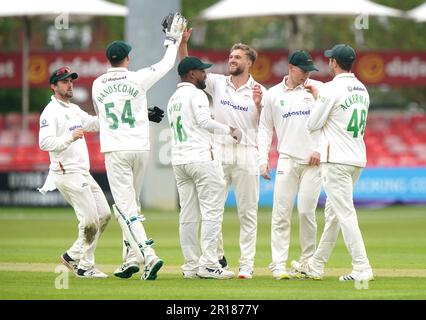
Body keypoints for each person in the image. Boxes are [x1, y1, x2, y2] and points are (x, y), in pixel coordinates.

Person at [92, 13, 187, 281]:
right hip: (140, 148)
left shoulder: (98, 84)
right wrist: (173, 38)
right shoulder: (137, 78)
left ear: (109, 60)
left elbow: (107, 114)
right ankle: (130, 259)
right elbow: (168, 63)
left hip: (116, 150)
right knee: (131, 206)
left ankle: (148, 255)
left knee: (124, 208)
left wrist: (139, 111)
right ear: (127, 59)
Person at [179, 30, 266, 279]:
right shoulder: (217, 82)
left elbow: (264, 127)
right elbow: (188, 69)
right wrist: (183, 44)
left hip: (247, 153)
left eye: (238, 57)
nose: (232, 60)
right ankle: (216, 258)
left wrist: (260, 106)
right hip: (218, 151)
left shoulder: (260, 91)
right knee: (211, 210)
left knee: (247, 213)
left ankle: (247, 265)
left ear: (249, 62)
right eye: (231, 56)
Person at [291, 44, 374, 282]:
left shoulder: (330, 88)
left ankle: (362, 267)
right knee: (335, 215)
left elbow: (312, 124)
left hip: (335, 159)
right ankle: (316, 265)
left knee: (344, 214)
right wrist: (321, 96)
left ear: (334, 63)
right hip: (356, 158)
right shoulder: (362, 89)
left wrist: (318, 97)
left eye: (330, 60)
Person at [168, 56, 242, 279]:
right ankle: (209, 264)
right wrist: (229, 129)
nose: (205, 75)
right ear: (192, 74)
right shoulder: (196, 93)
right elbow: (203, 121)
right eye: (202, 71)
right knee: (212, 212)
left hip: (180, 161)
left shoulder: (174, 98)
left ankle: (191, 265)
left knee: (188, 215)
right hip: (201, 158)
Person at [39, 66, 111, 278]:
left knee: (104, 215)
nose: (69, 84)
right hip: (66, 173)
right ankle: (77, 260)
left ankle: (80, 262)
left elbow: (93, 123)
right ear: (54, 86)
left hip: (82, 172)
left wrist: (114, 115)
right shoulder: (50, 112)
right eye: (64, 81)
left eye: (71, 81)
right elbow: (44, 142)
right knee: (89, 221)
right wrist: (70, 137)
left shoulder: (73, 109)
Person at [258, 50, 323, 279]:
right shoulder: (273, 94)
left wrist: (320, 149)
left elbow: (330, 122)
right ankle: (278, 264)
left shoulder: (317, 90)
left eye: (309, 71)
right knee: (281, 213)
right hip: (286, 158)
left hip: (313, 162)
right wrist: (262, 160)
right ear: (290, 68)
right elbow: (265, 128)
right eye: (303, 70)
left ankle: (307, 263)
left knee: (306, 212)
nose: (306, 75)